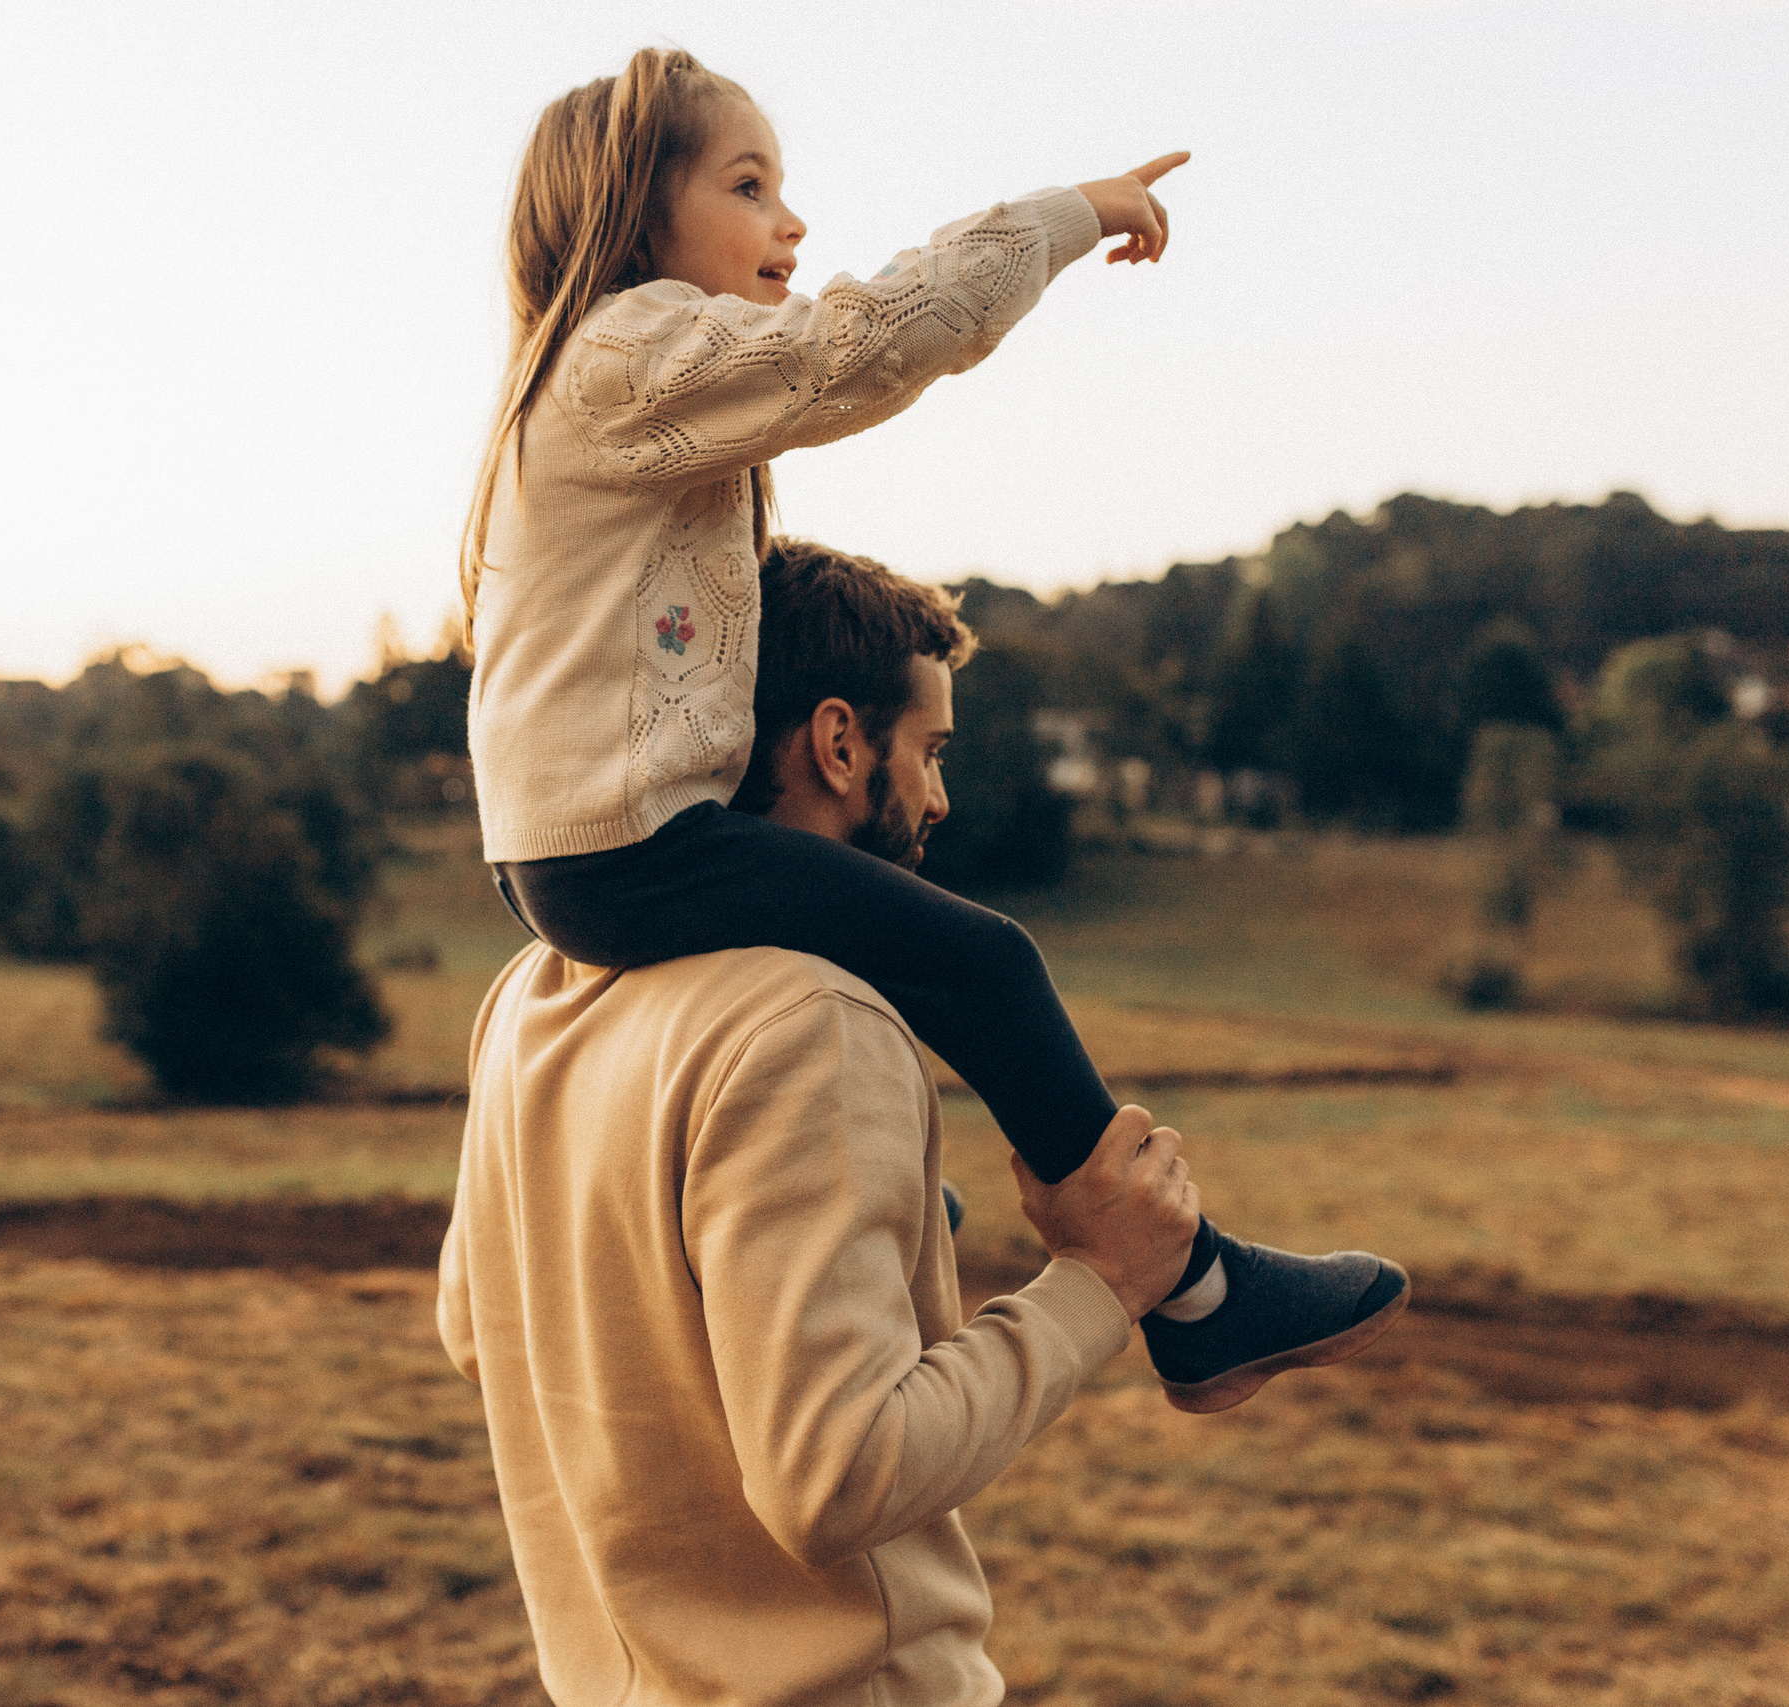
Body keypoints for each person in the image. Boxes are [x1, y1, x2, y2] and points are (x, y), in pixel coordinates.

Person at [461, 47, 1400, 1408]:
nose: (791, 222)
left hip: (577, 848)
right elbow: (860, 346)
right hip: (628, 846)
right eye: (747, 186)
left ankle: (902, 1211)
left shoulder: (596, 384)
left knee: (865, 956)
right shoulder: (626, 353)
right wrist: (1066, 216)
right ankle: (1200, 1295)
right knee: (983, 961)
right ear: (634, 209)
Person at [439, 544, 1395, 1703]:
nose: (940, 799)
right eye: (931, 752)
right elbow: (838, 1478)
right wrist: (1103, 1284)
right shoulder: (808, 1021)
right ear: (839, 744)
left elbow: (481, 1327)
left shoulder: (533, 995)